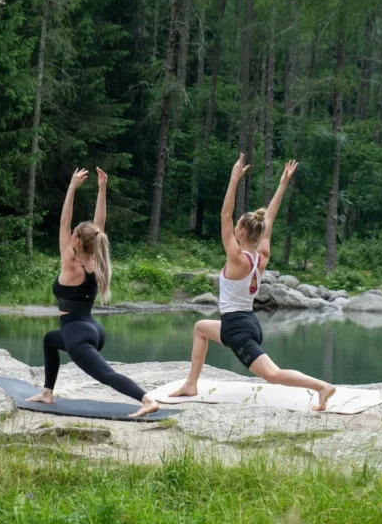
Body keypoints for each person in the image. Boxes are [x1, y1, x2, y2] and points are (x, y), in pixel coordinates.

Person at [169, 154, 336, 411]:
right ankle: (191, 384)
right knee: (201, 328)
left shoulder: (237, 258)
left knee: (272, 375)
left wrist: (234, 179)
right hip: (246, 322)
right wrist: (282, 184)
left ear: (242, 232)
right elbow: (269, 220)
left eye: (237, 225)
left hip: (237, 328)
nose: (234, 225)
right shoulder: (262, 257)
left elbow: (225, 214)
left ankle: (321, 387)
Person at [27, 167, 160, 418]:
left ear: (76, 241)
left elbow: (64, 221)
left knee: (107, 376)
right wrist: (102, 188)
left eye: (74, 234)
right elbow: (99, 226)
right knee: (49, 340)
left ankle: (146, 399)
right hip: (94, 330)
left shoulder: (70, 261)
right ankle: (47, 392)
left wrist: (71, 187)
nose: (71, 234)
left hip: (78, 334)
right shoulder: (96, 259)